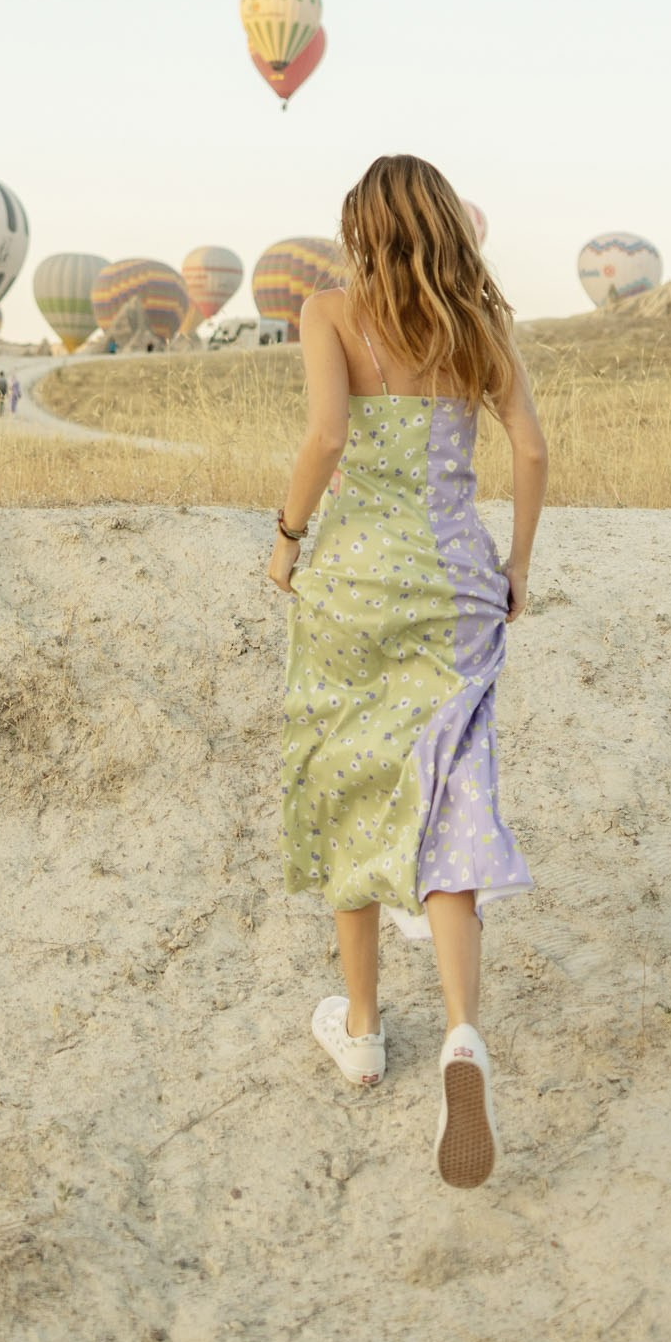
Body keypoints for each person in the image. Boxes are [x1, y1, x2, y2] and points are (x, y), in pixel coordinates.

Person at [268, 153, 548, 1189]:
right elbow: (529, 452)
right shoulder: (480, 327)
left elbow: (327, 436)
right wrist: (515, 564)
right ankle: (464, 1034)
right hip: (456, 583)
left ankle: (364, 1030)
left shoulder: (328, 312)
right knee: (452, 795)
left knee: (349, 784)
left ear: (360, 230)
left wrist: (288, 538)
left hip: (353, 584)